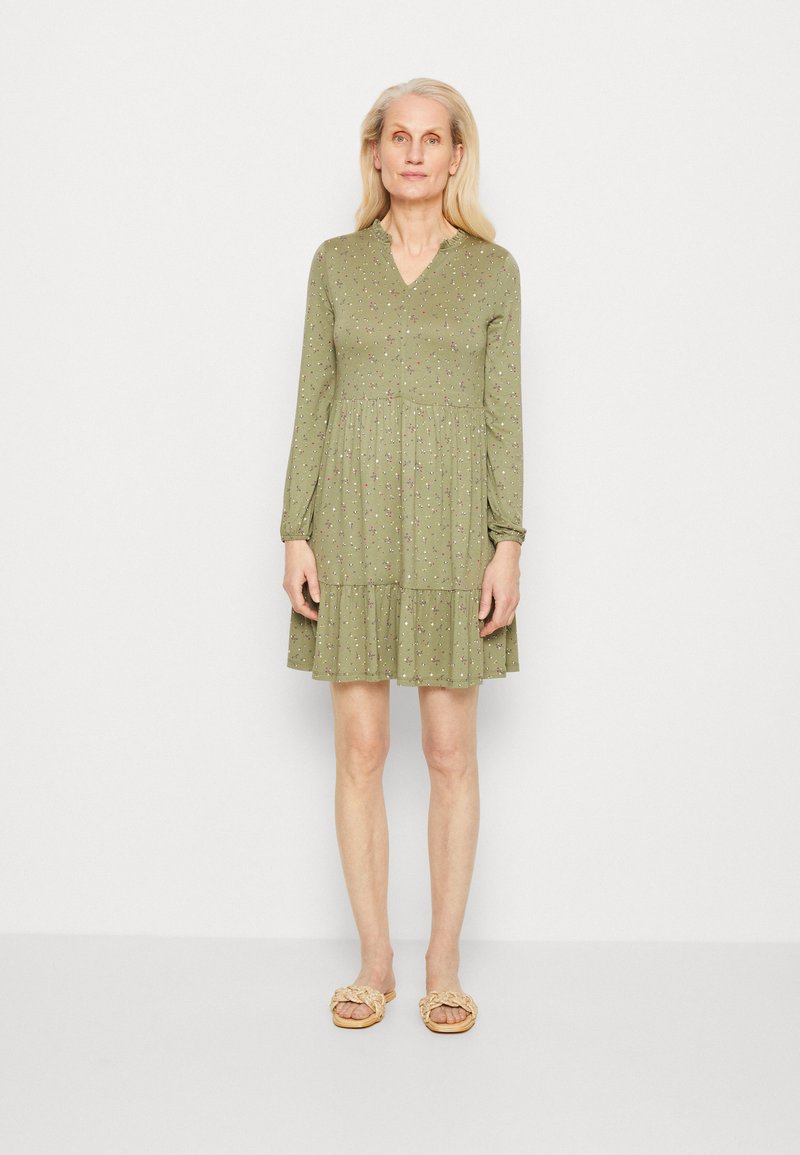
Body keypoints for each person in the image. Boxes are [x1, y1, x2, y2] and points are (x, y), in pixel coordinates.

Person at [279, 78, 527, 1034]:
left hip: (455, 526)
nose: (415, 153)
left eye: (433, 138)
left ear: (457, 156)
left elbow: (504, 417)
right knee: (361, 748)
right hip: (349, 519)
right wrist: (295, 529)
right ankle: (375, 961)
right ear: (375, 152)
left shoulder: (493, 272)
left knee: (450, 751)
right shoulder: (336, 264)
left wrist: (507, 543)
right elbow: (312, 399)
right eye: (399, 137)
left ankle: (443, 964)